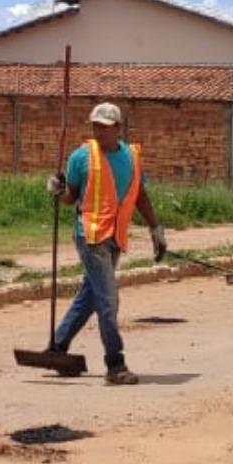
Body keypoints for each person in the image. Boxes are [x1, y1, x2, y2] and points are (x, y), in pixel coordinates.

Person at [46, 103, 167, 384]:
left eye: (104, 126)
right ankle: (115, 364)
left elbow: (140, 195)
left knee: (91, 295)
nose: (98, 130)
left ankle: (58, 347)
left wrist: (155, 228)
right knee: (108, 299)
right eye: (95, 125)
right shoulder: (81, 157)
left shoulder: (131, 157)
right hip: (89, 235)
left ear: (118, 128)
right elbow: (71, 197)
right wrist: (59, 189)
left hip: (115, 236)